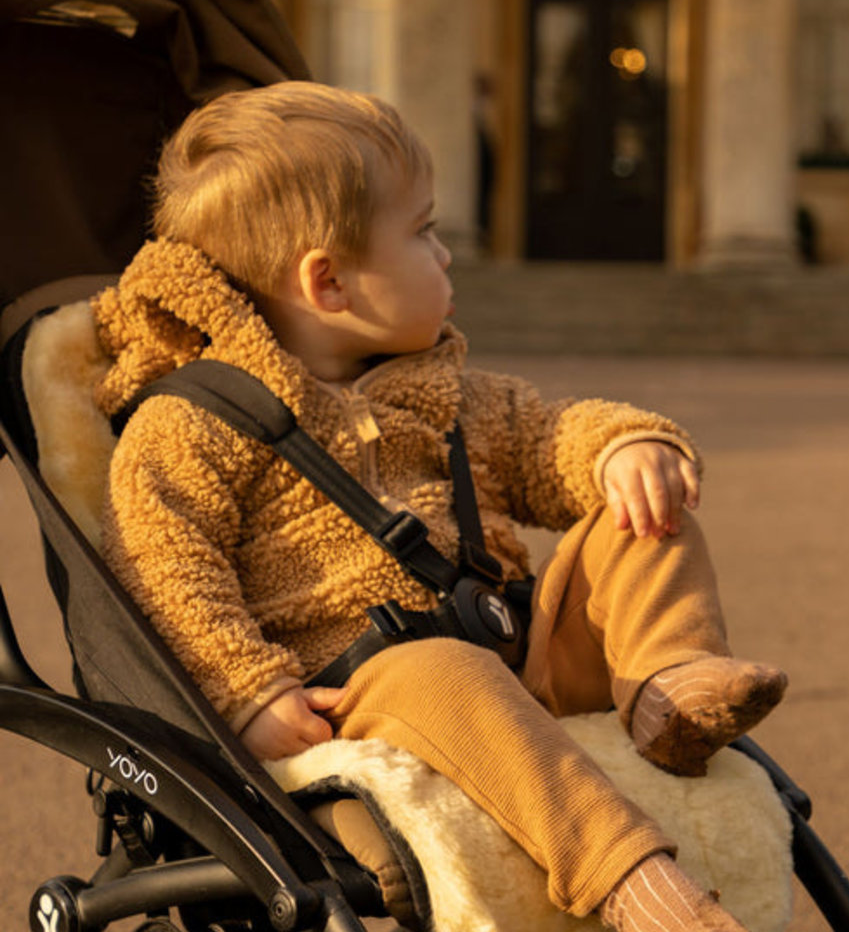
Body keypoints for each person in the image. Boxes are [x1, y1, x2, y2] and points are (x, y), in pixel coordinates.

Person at [92, 81, 786, 932]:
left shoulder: (448, 395)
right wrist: (246, 689)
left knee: (643, 519)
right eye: (423, 232)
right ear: (331, 283)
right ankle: (631, 881)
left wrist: (626, 448)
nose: (447, 254)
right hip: (367, 686)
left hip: (514, 649)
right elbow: (161, 563)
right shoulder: (196, 423)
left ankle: (666, 685)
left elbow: (548, 435)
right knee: (446, 673)